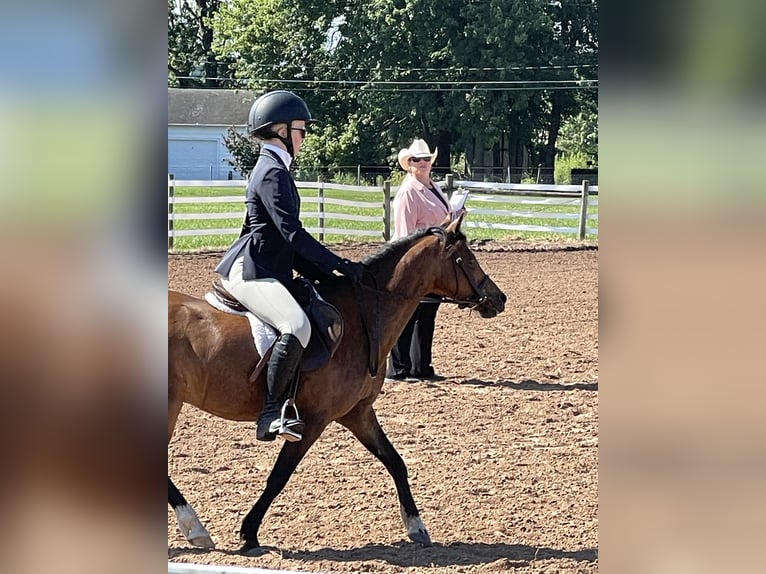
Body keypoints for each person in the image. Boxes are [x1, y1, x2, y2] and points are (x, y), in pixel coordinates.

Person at [215, 90, 366, 442]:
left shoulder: (276, 169)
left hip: (269, 265)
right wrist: (337, 262)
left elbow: (287, 241)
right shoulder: (270, 172)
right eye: (301, 129)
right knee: (296, 325)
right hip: (252, 269)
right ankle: (270, 414)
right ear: (281, 130)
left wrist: (330, 273)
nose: (304, 136)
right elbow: (292, 233)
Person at [385, 138, 459, 382]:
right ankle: (399, 367)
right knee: (408, 315)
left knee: (426, 314)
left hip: (433, 262)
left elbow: (441, 222)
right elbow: (406, 234)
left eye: (426, 158)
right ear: (409, 164)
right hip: (416, 263)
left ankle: (421, 365)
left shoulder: (433, 187)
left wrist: (455, 217)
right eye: (418, 159)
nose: (423, 163)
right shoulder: (408, 193)